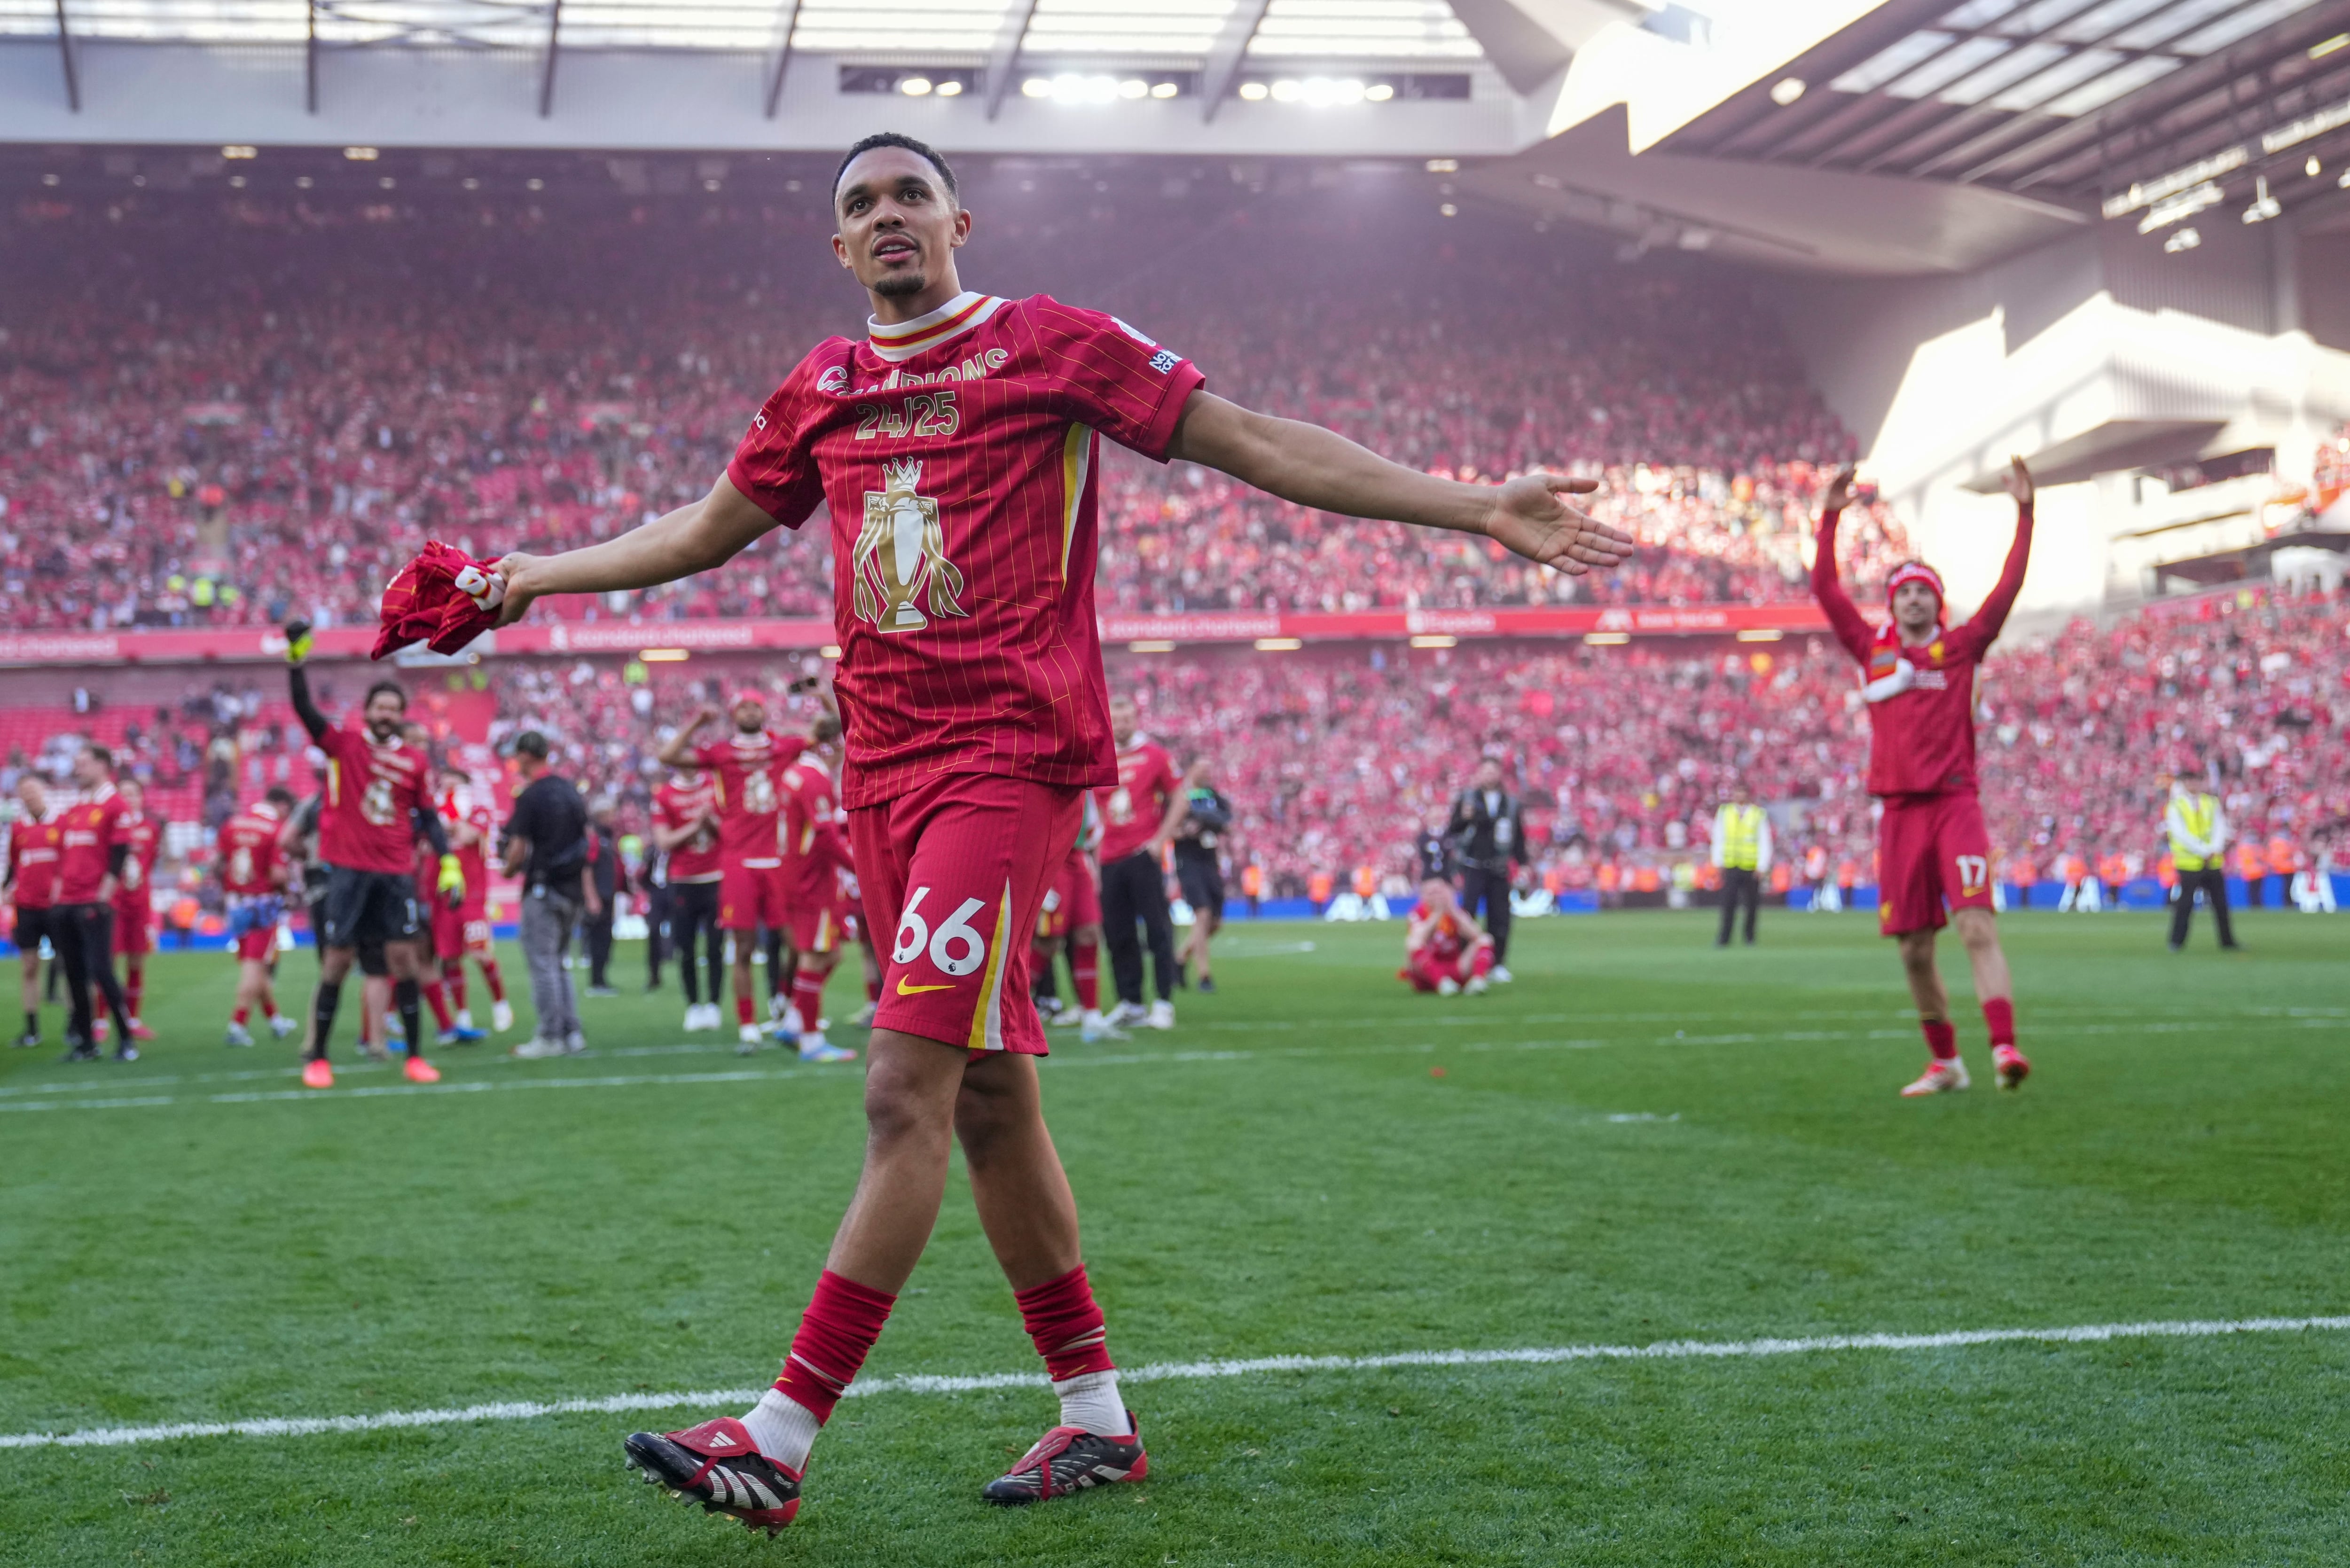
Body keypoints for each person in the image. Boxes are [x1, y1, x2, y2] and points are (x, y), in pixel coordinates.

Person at [484, 130, 1630, 1529]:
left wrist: (1468, 507)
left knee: (901, 1091)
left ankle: (777, 1436)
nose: (889, 216)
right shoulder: (823, 388)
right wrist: (527, 578)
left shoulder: (1051, 346)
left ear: (959, 219)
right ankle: (1095, 1413)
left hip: (1001, 762)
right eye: (862, 206)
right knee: (985, 1099)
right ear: (837, 249)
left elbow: (1256, 441)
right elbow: (698, 531)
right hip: (881, 782)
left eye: (910, 194)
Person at [1812, 458, 2034, 1098]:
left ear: (1937, 601)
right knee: (1913, 950)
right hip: (1898, 813)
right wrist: (1828, 517)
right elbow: (1826, 591)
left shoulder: (1963, 647)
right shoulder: (1873, 650)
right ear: (1893, 602)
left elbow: (2007, 588)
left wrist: (2025, 514)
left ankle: (2004, 1048)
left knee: (1974, 926)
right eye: (1904, 590)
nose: (1914, 598)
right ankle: (1947, 1063)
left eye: (1923, 590)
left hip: (1955, 805)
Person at [283, 624, 458, 1090]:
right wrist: (297, 660)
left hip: (396, 873)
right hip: (348, 872)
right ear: (367, 713)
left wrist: (449, 861)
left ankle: (415, 1057)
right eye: (379, 707)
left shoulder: (416, 763)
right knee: (337, 962)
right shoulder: (345, 745)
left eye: (392, 709)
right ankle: (318, 1059)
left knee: (405, 961)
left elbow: (428, 816)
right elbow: (304, 709)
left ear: (401, 716)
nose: (385, 714)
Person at [658, 690, 808, 1049]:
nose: (751, 711)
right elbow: (668, 756)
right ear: (733, 713)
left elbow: (832, 733)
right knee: (742, 947)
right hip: (739, 861)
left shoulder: (783, 747)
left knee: (796, 945)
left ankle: (784, 1003)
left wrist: (817, 698)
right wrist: (697, 722)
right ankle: (747, 1025)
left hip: (778, 858)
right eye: (743, 706)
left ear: (764, 710)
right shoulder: (722, 753)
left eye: (756, 705)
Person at [502, 730, 595, 1058]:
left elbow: (517, 847)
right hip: (570, 890)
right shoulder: (569, 791)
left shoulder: (531, 796)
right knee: (559, 963)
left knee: (543, 963)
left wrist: (509, 870)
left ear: (525, 755)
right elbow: (585, 840)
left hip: (543, 888)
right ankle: (572, 1032)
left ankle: (550, 1035)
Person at [1099, 694, 1185, 1030]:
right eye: (1116, 719)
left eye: (1126, 719)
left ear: (1136, 719)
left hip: (1142, 855)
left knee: (1158, 929)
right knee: (1118, 934)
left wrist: (1161, 839)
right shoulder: (1101, 757)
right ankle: (1131, 1002)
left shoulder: (1155, 755)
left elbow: (1180, 796)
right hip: (1109, 857)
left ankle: (1163, 1002)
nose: (1121, 725)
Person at [52, 745, 139, 1061]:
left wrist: (104, 896)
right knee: (74, 973)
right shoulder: (75, 809)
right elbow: (65, 858)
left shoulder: (115, 805)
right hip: (68, 902)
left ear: (103, 766)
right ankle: (87, 1043)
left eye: (82, 764)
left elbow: (120, 854)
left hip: (94, 902)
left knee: (102, 970)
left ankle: (127, 1040)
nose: (77, 770)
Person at [775, 742, 859, 1062]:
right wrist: (858, 867)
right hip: (813, 880)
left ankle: (795, 1022)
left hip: (797, 874)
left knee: (833, 953)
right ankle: (811, 1042)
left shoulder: (794, 774)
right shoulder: (813, 778)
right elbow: (823, 836)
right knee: (815, 954)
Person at [432, 766, 513, 1037]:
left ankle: (500, 1003)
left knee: (480, 953)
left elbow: (467, 836)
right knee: (451, 958)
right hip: (444, 895)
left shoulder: (478, 810)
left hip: (472, 895)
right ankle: (463, 1015)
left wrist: (447, 819)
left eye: (453, 781)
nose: (447, 785)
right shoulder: (435, 811)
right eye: (444, 782)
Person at [1035, 792, 1119, 1043]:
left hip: (1079, 857)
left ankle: (1092, 1017)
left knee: (1090, 933)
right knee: (1048, 941)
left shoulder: (1086, 782)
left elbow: (1093, 824)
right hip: (1051, 855)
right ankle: (1010, 1011)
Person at [219, 786, 299, 1046]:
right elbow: (278, 874)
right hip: (262, 906)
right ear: (283, 806)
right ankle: (237, 1024)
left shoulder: (233, 825)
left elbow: (219, 863)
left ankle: (275, 1021)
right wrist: (289, 893)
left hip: (237, 904)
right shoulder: (275, 830)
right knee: (254, 967)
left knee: (257, 967)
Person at [651, 760, 726, 1031]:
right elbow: (664, 841)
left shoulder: (715, 787)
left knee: (716, 947)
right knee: (686, 948)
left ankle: (715, 1005)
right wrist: (697, 824)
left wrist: (712, 822)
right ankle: (694, 1006)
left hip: (716, 878)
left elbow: (729, 833)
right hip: (683, 881)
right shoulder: (665, 795)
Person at [1445, 758, 1527, 982]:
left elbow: (1519, 837)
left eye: (1494, 771)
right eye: (1486, 771)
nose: (1490, 775)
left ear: (1500, 774)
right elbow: (1452, 828)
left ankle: (1497, 963)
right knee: (1467, 914)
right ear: (1479, 774)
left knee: (1500, 917)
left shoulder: (1510, 803)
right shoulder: (1467, 798)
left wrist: (1523, 865)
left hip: (1499, 867)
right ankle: (1465, 961)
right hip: (1473, 866)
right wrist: (1465, 818)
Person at [6, 774, 62, 1048]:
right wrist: (7, 891)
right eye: (24, 792)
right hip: (27, 906)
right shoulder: (18, 828)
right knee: (29, 967)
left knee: (67, 963)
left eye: (33, 790)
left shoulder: (61, 824)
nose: (29, 796)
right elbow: (15, 866)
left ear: (44, 792)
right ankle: (32, 1029)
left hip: (56, 905)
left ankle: (77, 1026)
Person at [109, 776, 163, 1042]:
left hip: (139, 904)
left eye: (134, 794)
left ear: (142, 798)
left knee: (136, 960)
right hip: (114, 903)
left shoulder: (151, 828)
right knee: (109, 961)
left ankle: (133, 1019)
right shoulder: (111, 827)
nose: (129, 799)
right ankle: (101, 1020)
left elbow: (149, 862)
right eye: (124, 794)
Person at [1172, 764, 1231, 993]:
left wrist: (1215, 824)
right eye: (1204, 770)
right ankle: (1205, 976)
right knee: (1203, 914)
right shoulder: (1180, 796)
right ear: (1192, 769)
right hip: (1188, 862)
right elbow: (1168, 828)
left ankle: (1179, 958)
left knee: (1215, 923)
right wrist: (1185, 831)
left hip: (1210, 862)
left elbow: (1228, 822)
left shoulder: (1213, 797)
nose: (1208, 775)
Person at [2163, 770, 2236, 950]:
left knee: (2221, 904)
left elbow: (2220, 827)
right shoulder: (2176, 806)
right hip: (2190, 863)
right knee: (2185, 904)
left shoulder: (2211, 803)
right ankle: (2176, 942)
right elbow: (2180, 835)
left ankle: (2227, 942)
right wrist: (2205, 850)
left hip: (2212, 862)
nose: (2193, 784)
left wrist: (2214, 849)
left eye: (2196, 780)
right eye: (2189, 781)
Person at [1400, 874, 1495, 996]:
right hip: (1427, 973)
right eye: (1432, 893)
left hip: (1454, 966)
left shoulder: (1455, 911)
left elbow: (1476, 934)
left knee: (1485, 939)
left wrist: (1453, 912)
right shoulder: (1417, 913)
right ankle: (1441, 983)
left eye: (1440, 892)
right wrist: (1437, 915)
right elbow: (1418, 937)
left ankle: (1478, 981)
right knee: (1412, 942)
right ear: (1423, 896)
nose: (1437, 897)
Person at [1710, 780, 1771, 947]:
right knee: (1728, 903)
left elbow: (1764, 840)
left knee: (1752, 905)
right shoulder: (1725, 812)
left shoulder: (1758, 814)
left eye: (1743, 792)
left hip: (1750, 865)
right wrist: (1718, 861)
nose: (1740, 796)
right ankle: (1724, 938)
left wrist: (1762, 865)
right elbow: (1718, 837)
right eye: (1737, 792)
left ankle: (1749, 937)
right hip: (1731, 864)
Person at [582, 797, 622, 998]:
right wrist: (592, 897)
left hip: (607, 895)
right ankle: (597, 981)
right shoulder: (595, 838)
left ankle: (602, 980)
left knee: (606, 939)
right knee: (599, 940)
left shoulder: (606, 836)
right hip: (600, 896)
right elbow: (587, 868)